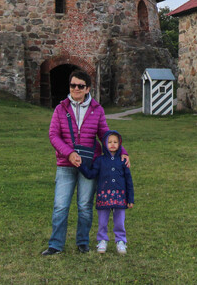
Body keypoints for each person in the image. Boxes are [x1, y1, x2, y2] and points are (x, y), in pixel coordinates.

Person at [42, 69, 128, 255]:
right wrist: (69, 153)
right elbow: (53, 135)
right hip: (66, 164)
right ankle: (56, 244)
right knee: (60, 205)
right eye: (73, 85)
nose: (76, 89)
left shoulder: (97, 110)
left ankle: (82, 242)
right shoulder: (60, 109)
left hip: (89, 164)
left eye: (80, 86)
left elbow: (105, 135)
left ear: (87, 88)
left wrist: (122, 151)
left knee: (84, 206)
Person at [78, 130, 134, 254]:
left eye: (115, 142)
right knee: (102, 221)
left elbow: (129, 181)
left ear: (120, 144)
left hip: (120, 198)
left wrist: (130, 199)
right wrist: (81, 165)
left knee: (119, 221)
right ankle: (102, 240)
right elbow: (91, 174)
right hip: (103, 197)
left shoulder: (123, 161)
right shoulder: (99, 160)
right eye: (109, 142)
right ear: (104, 144)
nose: (112, 144)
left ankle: (121, 241)